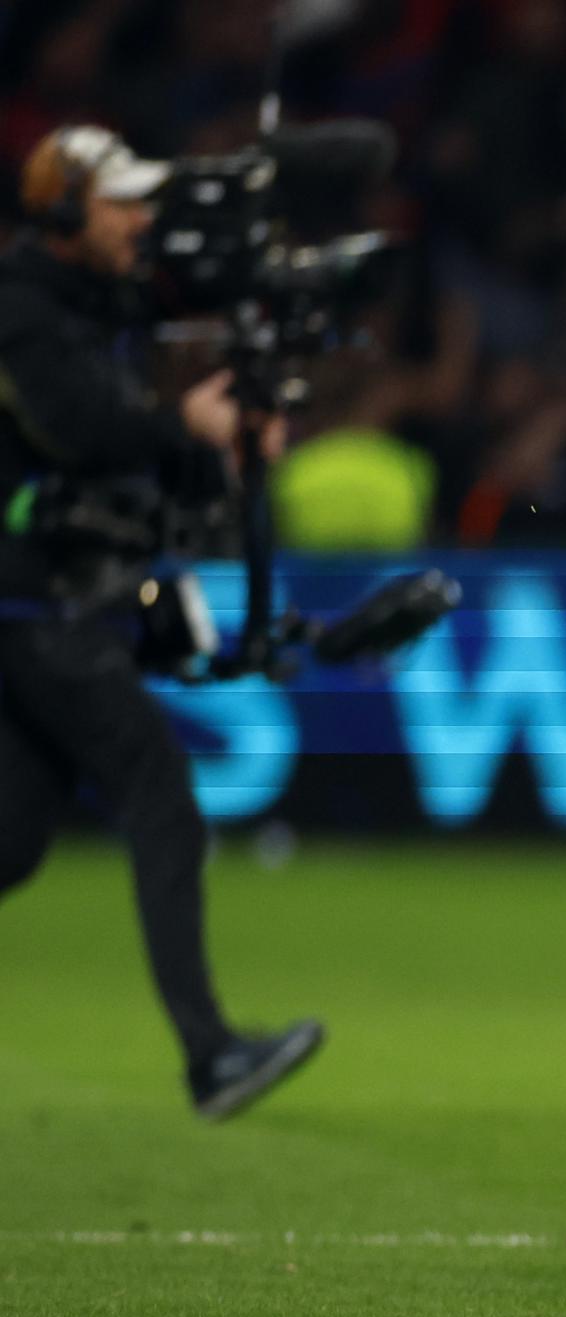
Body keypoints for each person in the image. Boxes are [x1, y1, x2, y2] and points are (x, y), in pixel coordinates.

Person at [0, 125, 324, 1120]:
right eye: (122, 203)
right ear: (63, 214)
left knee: (10, 839)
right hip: (32, 600)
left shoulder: (87, 300)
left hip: (45, 598)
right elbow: (84, 430)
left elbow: (178, 304)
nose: (143, 220)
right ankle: (210, 1053)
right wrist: (194, 427)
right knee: (158, 787)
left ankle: (212, 1054)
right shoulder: (21, 311)